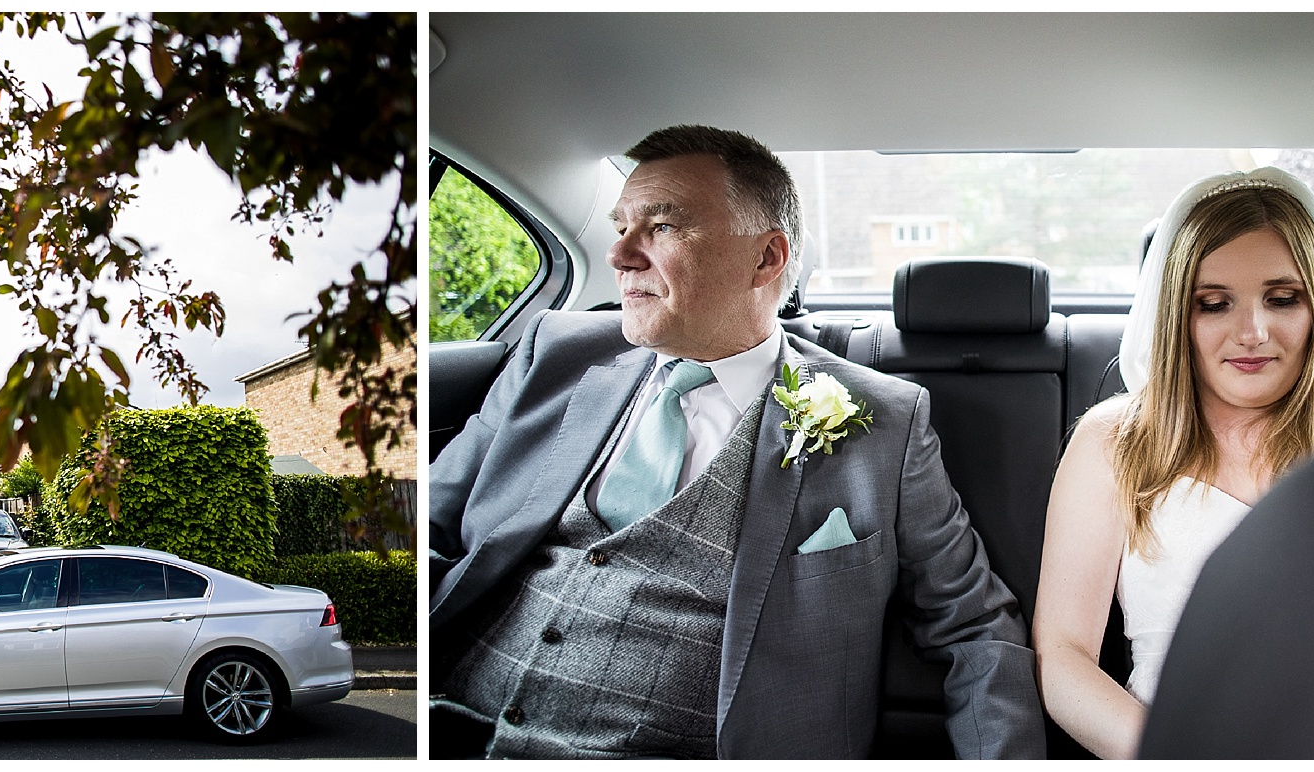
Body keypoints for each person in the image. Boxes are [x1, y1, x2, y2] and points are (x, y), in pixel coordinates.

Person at [427, 125, 1042, 759]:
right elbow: (432, 529)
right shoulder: (556, 352)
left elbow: (974, 628)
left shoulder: (883, 419)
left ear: (766, 258)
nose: (620, 256)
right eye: (620, 228)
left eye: (662, 228)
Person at [1033, 167, 1314, 759]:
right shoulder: (1114, 441)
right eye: (1214, 304)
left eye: (1282, 299)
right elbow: (1062, 654)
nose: (1253, 332)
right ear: (1178, 319)